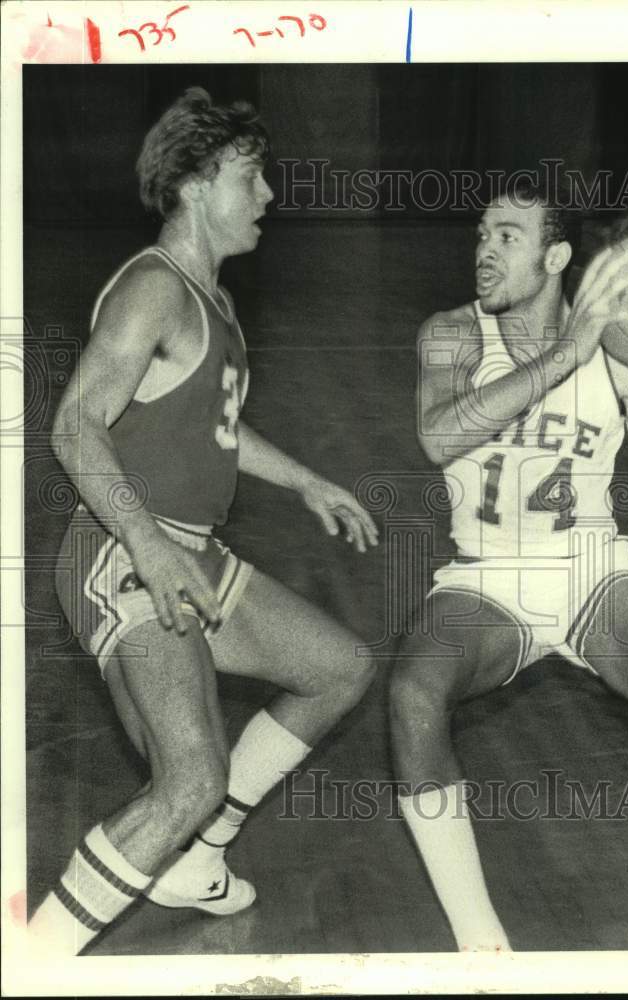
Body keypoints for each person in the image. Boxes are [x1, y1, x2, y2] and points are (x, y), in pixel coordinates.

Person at [28, 88, 379, 955]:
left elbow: (211, 426)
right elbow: (74, 426)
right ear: (193, 182)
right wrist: (146, 546)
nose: (267, 196)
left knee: (338, 667)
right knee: (188, 779)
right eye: (250, 176)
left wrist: (303, 479)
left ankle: (199, 861)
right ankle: (33, 961)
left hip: (189, 549)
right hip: (124, 549)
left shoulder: (212, 303)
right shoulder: (154, 288)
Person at [389, 180, 628, 952]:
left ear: (555, 255)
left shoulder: (621, 354)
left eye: (505, 238)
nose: (484, 250)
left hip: (589, 567)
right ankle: (482, 949)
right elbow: (437, 437)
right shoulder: (452, 335)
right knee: (413, 692)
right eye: (481, 235)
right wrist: (567, 352)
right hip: (488, 576)